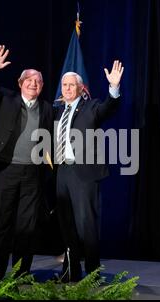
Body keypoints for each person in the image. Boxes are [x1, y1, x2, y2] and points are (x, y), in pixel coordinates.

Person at [0, 45, 53, 279]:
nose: (33, 84)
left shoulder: (48, 109)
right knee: (1, 224)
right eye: (28, 80)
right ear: (20, 84)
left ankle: (21, 274)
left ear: (42, 86)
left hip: (32, 175)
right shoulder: (5, 99)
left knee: (27, 227)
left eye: (38, 81)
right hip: (5, 170)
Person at [55, 61, 124, 282]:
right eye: (64, 85)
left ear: (81, 88)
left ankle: (93, 274)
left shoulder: (92, 107)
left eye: (71, 85)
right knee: (67, 226)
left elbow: (109, 107)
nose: (66, 88)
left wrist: (113, 89)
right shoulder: (57, 111)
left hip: (84, 174)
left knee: (87, 225)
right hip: (62, 173)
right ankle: (70, 272)